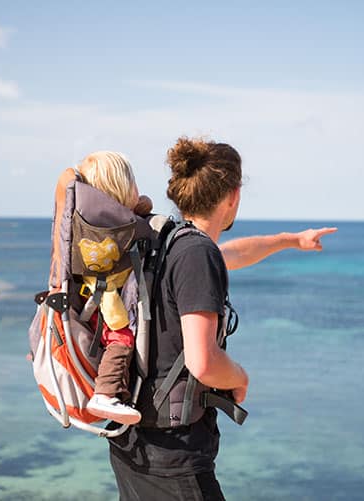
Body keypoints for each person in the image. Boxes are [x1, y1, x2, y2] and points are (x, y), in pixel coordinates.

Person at [107, 136, 337, 500]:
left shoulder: (165, 240)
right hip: (173, 458)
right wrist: (239, 376)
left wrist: (293, 240)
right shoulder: (196, 253)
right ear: (233, 195)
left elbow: (231, 253)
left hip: (132, 444)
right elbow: (203, 362)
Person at [76, 151, 150, 425]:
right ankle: (105, 394)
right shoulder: (118, 224)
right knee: (121, 338)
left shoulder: (94, 221)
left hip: (95, 293)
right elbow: (142, 223)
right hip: (106, 296)